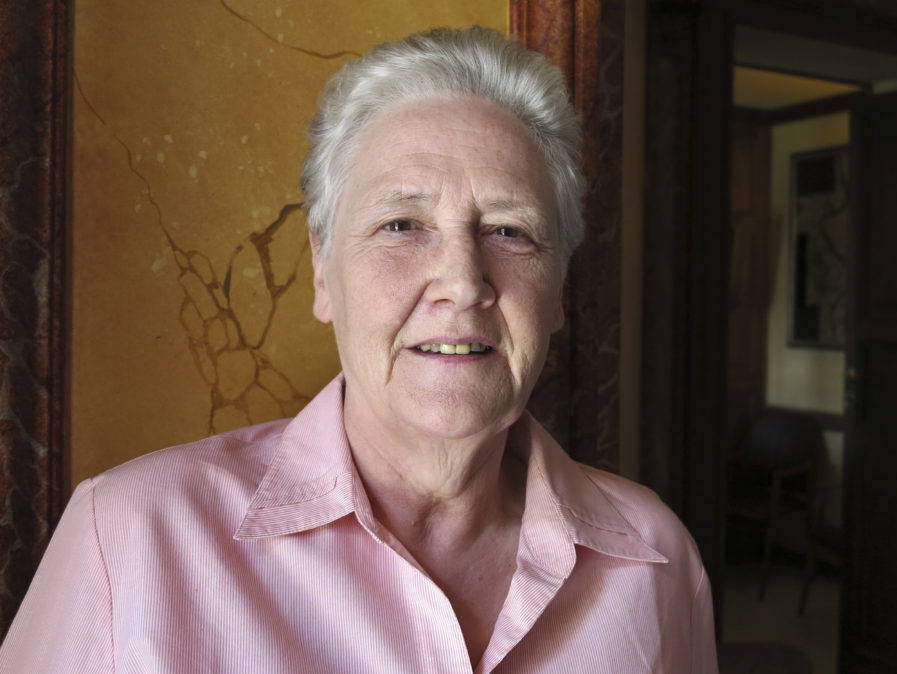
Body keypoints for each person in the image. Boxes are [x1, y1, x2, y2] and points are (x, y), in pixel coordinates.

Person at [0, 27, 717, 672]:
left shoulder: (653, 560)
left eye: (510, 231)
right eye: (402, 225)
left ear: (559, 288)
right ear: (321, 270)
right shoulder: (130, 539)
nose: (463, 283)